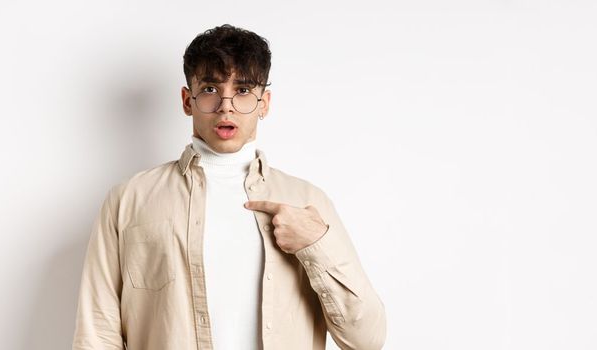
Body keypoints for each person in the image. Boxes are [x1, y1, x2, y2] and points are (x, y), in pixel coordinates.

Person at [72, 24, 386, 350]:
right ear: (186, 100)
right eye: (210, 89)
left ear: (264, 103)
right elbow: (97, 334)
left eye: (243, 90)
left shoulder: (306, 201)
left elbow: (367, 339)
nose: (226, 106)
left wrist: (315, 244)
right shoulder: (129, 200)